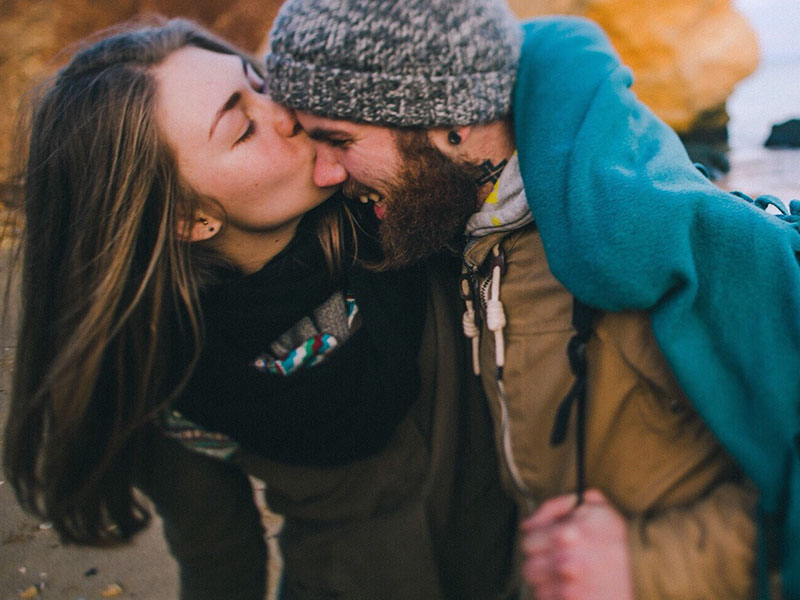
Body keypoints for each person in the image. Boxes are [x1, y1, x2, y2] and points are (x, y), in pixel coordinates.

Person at [266, 0, 800, 598]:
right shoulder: (463, 223)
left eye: (338, 140)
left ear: (450, 122)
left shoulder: (658, 239)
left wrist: (654, 565)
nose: (325, 174)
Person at [2, 18, 518, 600]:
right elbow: (219, 559)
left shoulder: (414, 208)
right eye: (243, 126)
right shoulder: (172, 374)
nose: (290, 111)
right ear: (189, 219)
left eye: (261, 81)